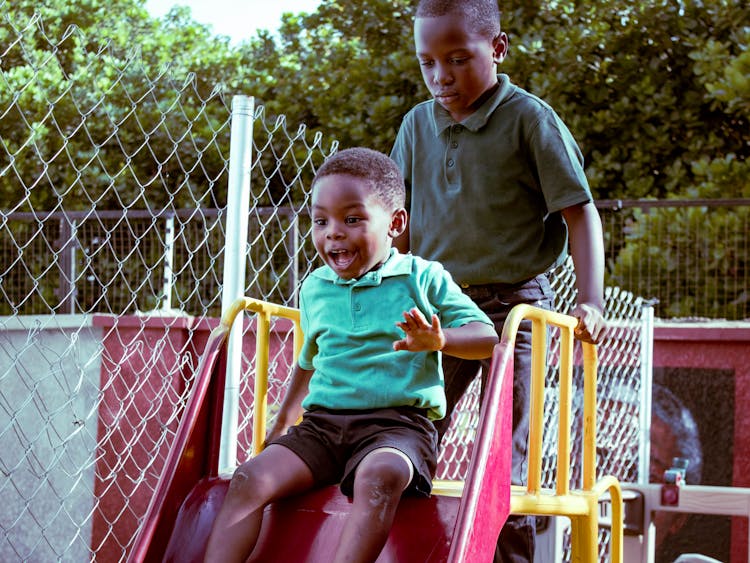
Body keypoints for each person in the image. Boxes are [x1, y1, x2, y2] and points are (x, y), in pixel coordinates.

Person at [203, 147, 499, 563]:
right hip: (322, 427)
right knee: (249, 478)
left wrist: (440, 341)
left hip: (397, 427)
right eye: (320, 221)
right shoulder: (315, 288)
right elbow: (309, 359)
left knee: (380, 476)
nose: (333, 233)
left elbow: (487, 337)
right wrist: (286, 417)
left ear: (395, 223)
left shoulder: (423, 277)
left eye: (353, 219)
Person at [390, 1, 607, 560]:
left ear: (498, 49)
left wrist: (590, 301)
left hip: (515, 310)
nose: (442, 76)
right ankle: (417, 547)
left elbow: (579, 211)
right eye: (428, 63)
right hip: (438, 304)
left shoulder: (529, 118)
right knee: (407, 428)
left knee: (505, 460)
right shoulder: (417, 125)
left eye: (459, 59)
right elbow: (399, 224)